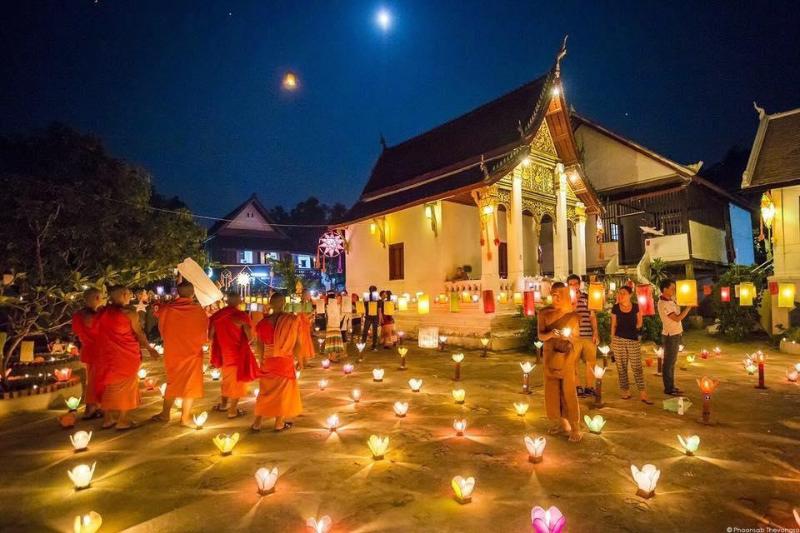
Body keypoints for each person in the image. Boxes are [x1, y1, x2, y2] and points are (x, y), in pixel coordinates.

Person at [95, 285, 159, 430]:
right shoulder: (129, 313)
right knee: (127, 386)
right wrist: (150, 349)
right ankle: (123, 420)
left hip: (107, 354)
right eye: (129, 294)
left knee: (109, 385)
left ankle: (108, 418)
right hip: (126, 355)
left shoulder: (102, 312)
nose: (130, 296)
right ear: (124, 295)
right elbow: (139, 333)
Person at [152, 281, 209, 427]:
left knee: (173, 382)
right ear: (192, 293)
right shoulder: (198, 310)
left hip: (174, 351)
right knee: (190, 385)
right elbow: (203, 332)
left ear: (178, 292)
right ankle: (184, 417)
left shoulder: (168, 309)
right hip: (192, 352)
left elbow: (161, 326)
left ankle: (165, 414)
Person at [537, 282, 582, 442]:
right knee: (552, 392)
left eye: (558, 295)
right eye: (553, 295)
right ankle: (557, 422)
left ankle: (575, 427)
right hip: (549, 355)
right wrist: (551, 334)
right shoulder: (544, 313)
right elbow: (541, 336)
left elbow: (576, 339)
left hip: (567, 355)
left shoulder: (573, 315)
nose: (555, 298)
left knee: (568, 391)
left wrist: (568, 336)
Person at [252, 293, 303, 432]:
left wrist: (261, 361)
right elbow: (297, 343)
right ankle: (279, 423)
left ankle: (257, 423)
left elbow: (259, 345)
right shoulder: (291, 320)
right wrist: (300, 360)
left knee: (264, 392)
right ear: (284, 304)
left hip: (268, 361)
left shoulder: (262, 323)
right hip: (284, 361)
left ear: (270, 304)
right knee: (283, 393)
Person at [209, 292, 255, 418]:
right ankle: (232, 411)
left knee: (227, 380)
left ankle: (224, 405)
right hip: (237, 354)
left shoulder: (217, 316)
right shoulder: (241, 316)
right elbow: (250, 337)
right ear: (239, 301)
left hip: (223, 353)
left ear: (227, 301)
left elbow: (210, 336)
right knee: (237, 382)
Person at [611, 286, 652, 404]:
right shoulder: (615, 308)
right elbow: (613, 325)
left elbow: (640, 322)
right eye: (619, 293)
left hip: (633, 340)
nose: (621, 295)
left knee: (637, 367)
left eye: (623, 293)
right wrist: (612, 340)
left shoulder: (635, 307)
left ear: (630, 295)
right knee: (621, 367)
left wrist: (634, 329)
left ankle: (643, 392)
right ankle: (625, 390)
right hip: (619, 340)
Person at [71, 287, 104, 420]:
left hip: (88, 349)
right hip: (97, 350)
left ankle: (97, 405)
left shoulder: (78, 315)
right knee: (95, 380)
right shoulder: (92, 316)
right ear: (96, 298)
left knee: (93, 379)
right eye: (100, 297)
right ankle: (91, 407)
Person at [657, 279, 693, 396]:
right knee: (668, 362)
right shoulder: (663, 303)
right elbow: (677, 318)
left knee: (672, 362)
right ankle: (668, 388)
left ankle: (671, 386)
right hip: (670, 335)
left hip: (676, 333)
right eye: (672, 288)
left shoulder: (670, 300)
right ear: (665, 289)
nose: (674, 290)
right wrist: (688, 308)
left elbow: (682, 299)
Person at [567, 274, 598, 398]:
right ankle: (577, 386)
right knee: (572, 362)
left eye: (576, 284)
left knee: (591, 362)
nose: (574, 286)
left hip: (588, 335)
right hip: (573, 336)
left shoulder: (587, 297)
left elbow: (592, 316)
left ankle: (589, 387)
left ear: (579, 284)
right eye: (571, 284)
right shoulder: (566, 300)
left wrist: (595, 332)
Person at [296, 289, 316, 369]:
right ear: (304, 295)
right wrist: (311, 314)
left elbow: (307, 316)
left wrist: (311, 316)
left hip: (306, 327)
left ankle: (305, 362)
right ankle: (300, 364)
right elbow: (301, 317)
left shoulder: (307, 304)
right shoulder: (300, 305)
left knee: (306, 344)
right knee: (302, 344)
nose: (310, 296)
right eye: (308, 294)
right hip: (301, 327)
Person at [324, 292, 345, 361]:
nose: (339, 300)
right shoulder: (333, 306)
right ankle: (332, 357)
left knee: (331, 341)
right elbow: (337, 317)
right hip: (334, 325)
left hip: (332, 325)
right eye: (337, 298)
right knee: (333, 342)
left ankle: (331, 356)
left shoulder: (330, 306)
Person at [360, 285, 381, 351]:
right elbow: (363, 307)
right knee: (365, 331)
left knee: (374, 332)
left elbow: (379, 310)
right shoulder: (366, 298)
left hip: (375, 317)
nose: (371, 291)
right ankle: (363, 344)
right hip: (368, 317)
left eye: (373, 290)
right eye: (371, 290)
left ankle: (373, 345)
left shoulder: (378, 299)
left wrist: (379, 319)